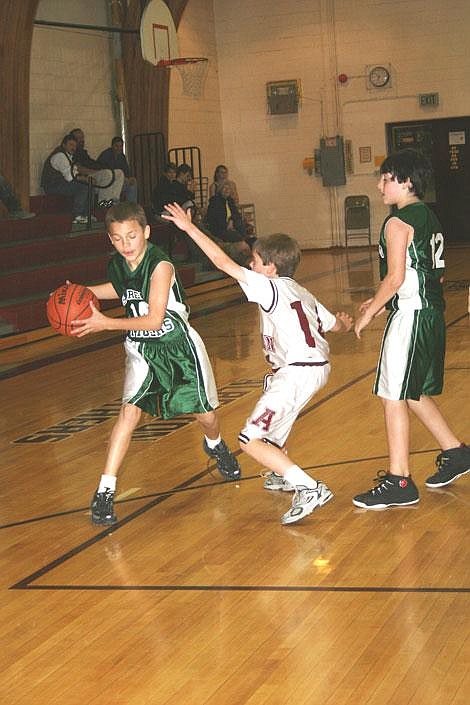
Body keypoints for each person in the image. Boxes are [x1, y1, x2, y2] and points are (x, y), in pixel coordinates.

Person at [163, 202, 353, 525]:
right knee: (271, 435)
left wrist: (188, 228)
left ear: (270, 267)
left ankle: (309, 488)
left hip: (296, 371)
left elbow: (222, 262)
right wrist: (349, 323)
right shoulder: (301, 291)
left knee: (249, 439)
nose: (249, 264)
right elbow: (335, 325)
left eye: (254, 261)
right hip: (313, 368)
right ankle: (284, 473)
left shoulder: (268, 287)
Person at [70, 202, 240, 526]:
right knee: (128, 413)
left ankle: (216, 446)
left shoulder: (160, 264)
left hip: (177, 345)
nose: (126, 245)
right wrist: (81, 293)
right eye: (118, 239)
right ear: (110, 240)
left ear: (146, 233)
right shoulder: (117, 265)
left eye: (132, 236)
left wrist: (105, 324)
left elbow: (153, 319)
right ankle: (105, 490)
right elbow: (121, 291)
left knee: (206, 415)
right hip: (141, 349)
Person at [353, 148, 470, 509]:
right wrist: (385, 300)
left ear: (405, 181)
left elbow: (396, 276)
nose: (379, 185)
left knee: (392, 393)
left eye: (386, 179)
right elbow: (425, 272)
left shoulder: (396, 221)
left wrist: (371, 310)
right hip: (430, 310)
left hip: (413, 314)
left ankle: (399, 479)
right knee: (412, 389)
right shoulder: (429, 217)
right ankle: (455, 452)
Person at [41, 133, 89, 224]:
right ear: (64, 145)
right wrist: (85, 179)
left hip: (60, 184)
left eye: (75, 145)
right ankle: (77, 215)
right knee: (83, 187)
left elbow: (74, 173)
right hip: (52, 186)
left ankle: (86, 214)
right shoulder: (60, 156)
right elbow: (70, 177)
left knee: (88, 185)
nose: (73, 147)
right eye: (71, 145)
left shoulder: (68, 156)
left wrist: (85, 179)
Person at [70, 128, 125, 207]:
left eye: (82, 137)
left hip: (96, 172)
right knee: (107, 173)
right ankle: (103, 202)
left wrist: (103, 168)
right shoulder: (73, 153)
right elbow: (78, 168)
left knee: (120, 173)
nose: (81, 140)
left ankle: (114, 200)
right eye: (78, 138)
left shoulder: (83, 152)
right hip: (87, 176)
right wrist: (97, 172)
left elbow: (93, 163)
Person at [205, 180, 252, 264]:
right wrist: (228, 223)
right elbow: (216, 219)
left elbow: (236, 214)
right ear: (220, 189)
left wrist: (231, 220)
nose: (227, 190)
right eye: (224, 188)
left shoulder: (230, 201)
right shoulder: (216, 201)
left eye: (229, 189)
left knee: (245, 231)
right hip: (220, 229)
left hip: (230, 227)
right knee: (236, 236)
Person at [98, 136, 138, 203]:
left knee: (132, 184)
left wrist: (130, 178)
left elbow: (126, 171)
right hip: (108, 184)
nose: (119, 148)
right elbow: (105, 172)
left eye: (121, 146)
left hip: (120, 182)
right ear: (112, 146)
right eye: (116, 146)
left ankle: (131, 207)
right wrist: (123, 178)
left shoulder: (122, 157)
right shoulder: (105, 155)